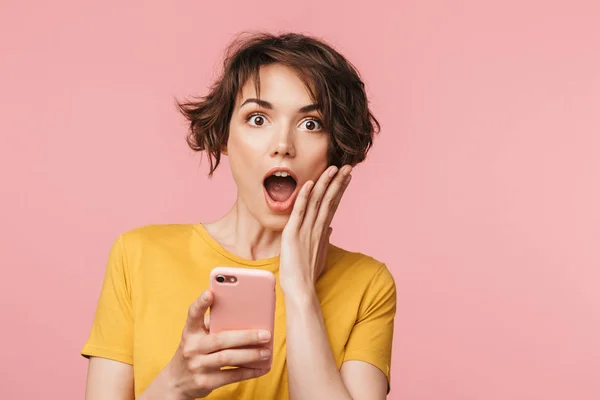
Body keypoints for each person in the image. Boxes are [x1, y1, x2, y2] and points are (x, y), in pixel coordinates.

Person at [82, 31, 397, 400]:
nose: (283, 145)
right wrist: (175, 385)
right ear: (223, 136)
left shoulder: (368, 285)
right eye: (258, 119)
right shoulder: (136, 255)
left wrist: (300, 291)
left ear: (335, 149)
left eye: (311, 124)